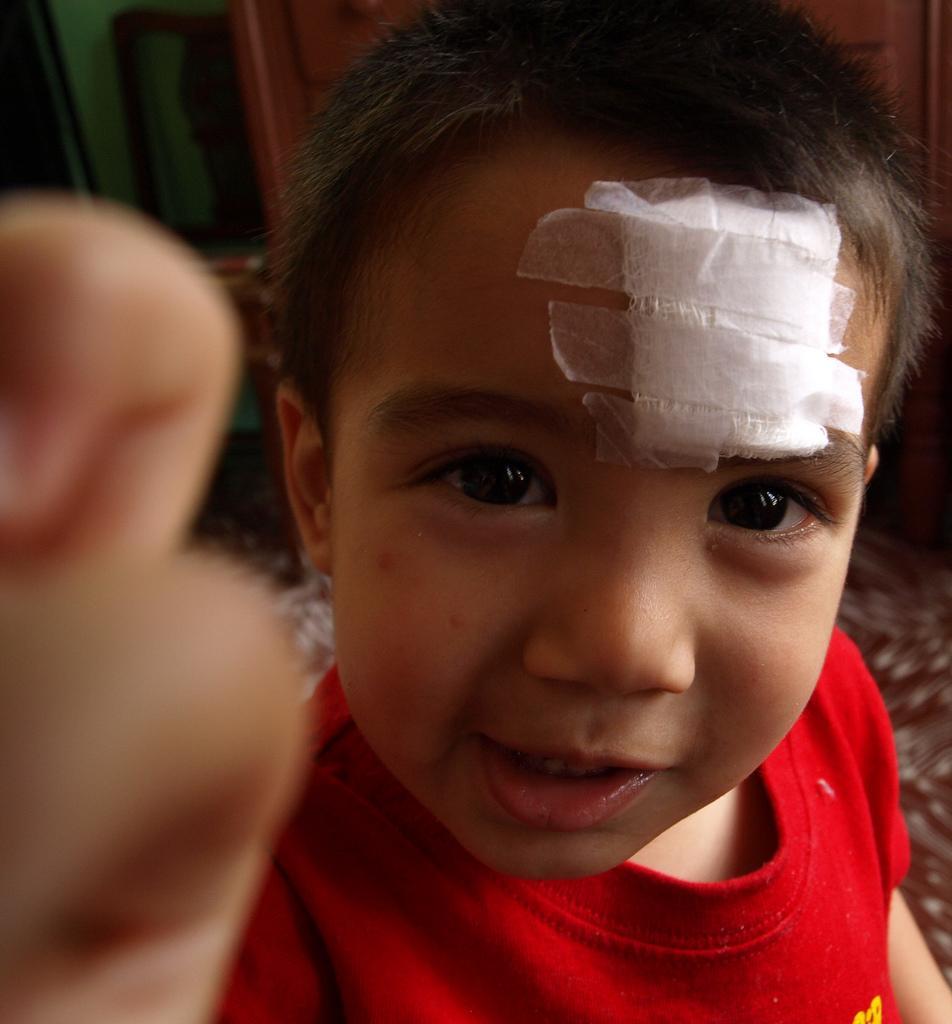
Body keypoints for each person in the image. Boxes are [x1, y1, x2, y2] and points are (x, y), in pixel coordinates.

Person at [3, 0, 951, 1021]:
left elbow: (876, 910)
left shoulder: (829, 707)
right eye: (495, 479)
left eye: (760, 504)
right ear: (318, 485)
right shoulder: (254, 904)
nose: (623, 648)